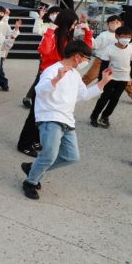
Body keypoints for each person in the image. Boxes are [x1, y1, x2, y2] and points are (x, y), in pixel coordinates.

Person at [21, 41, 112, 200]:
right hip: (50, 118)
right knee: (49, 155)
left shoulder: (75, 75)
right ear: (77, 57)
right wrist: (56, 79)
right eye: (86, 58)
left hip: (67, 120)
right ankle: (30, 182)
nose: (86, 62)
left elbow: (83, 95)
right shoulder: (52, 70)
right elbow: (40, 91)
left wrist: (103, 82)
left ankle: (33, 168)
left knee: (71, 156)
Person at [17, 10, 92, 157]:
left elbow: (86, 51)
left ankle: (37, 140)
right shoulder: (52, 34)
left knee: (50, 112)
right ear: (66, 22)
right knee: (36, 113)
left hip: (63, 78)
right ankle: (24, 144)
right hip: (48, 76)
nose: (74, 26)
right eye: (73, 24)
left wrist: (87, 31)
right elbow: (44, 51)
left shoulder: (69, 39)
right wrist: (50, 29)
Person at [89, 25, 132, 128]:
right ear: (117, 36)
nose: (126, 39)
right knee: (104, 98)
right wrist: (101, 79)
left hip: (123, 78)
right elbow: (104, 65)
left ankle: (105, 117)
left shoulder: (130, 48)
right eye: (123, 36)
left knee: (115, 99)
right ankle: (94, 116)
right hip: (110, 78)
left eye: (129, 37)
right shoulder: (109, 49)